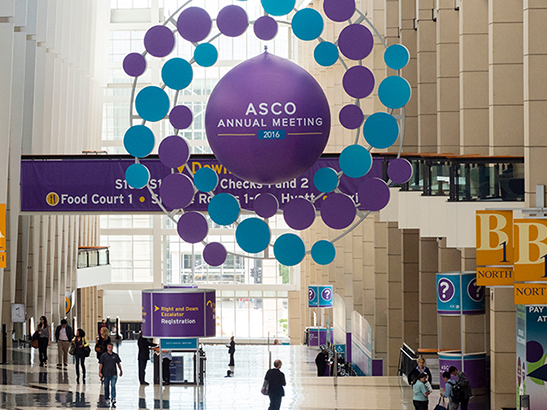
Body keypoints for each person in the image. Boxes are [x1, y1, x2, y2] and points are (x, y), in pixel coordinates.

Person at [98, 342, 123, 407]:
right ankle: (107, 398)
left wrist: (121, 370)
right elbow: (101, 364)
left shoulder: (115, 355)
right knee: (106, 386)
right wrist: (100, 372)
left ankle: (113, 398)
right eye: (109, 347)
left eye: (111, 347)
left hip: (113, 373)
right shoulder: (103, 356)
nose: (110, 348)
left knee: (113, 386)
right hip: (106, 374)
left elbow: (118, 363)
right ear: (107, 348)